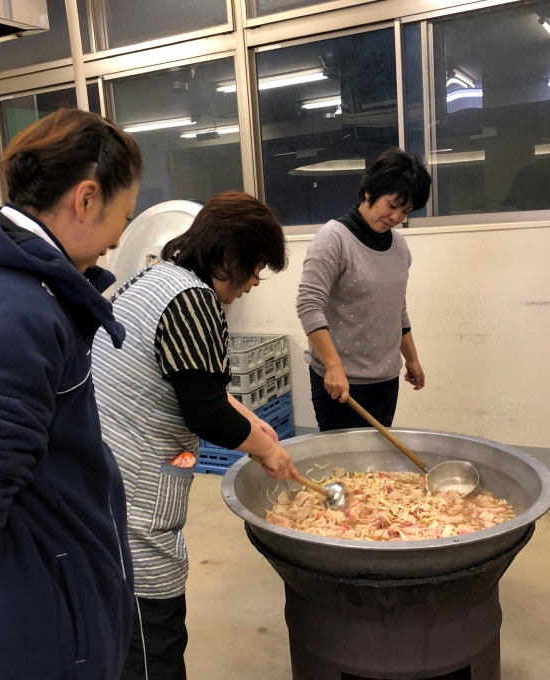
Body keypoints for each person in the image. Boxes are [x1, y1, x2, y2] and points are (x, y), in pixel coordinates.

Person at [0, 109, 142, 680]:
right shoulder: (12, 308)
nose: (119, 238)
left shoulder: (24, 287)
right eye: (124, 217)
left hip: (51, 596)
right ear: (86, 199)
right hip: (39, 623)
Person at [91, 190, 298, 680]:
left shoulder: (156, 278)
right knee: (151, 644)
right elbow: (206, 414)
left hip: (103, 486)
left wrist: (253, 423)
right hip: (133, 500)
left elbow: (192, 383)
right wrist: (268, 450)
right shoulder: (192, 300)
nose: (254, 282)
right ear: (229, 256)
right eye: (255, 268)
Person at [296, 148, 431, 431]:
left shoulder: (400, 247)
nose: (396, 217)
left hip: (386, 379)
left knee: (378, 457)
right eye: (392, 205)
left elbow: (397, 310)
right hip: (341, 381)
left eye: (405, 211)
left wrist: (412, 359)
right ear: (370, 191)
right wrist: (333, 367)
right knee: (344, 459)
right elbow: (309, 305)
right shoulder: (333, 238)